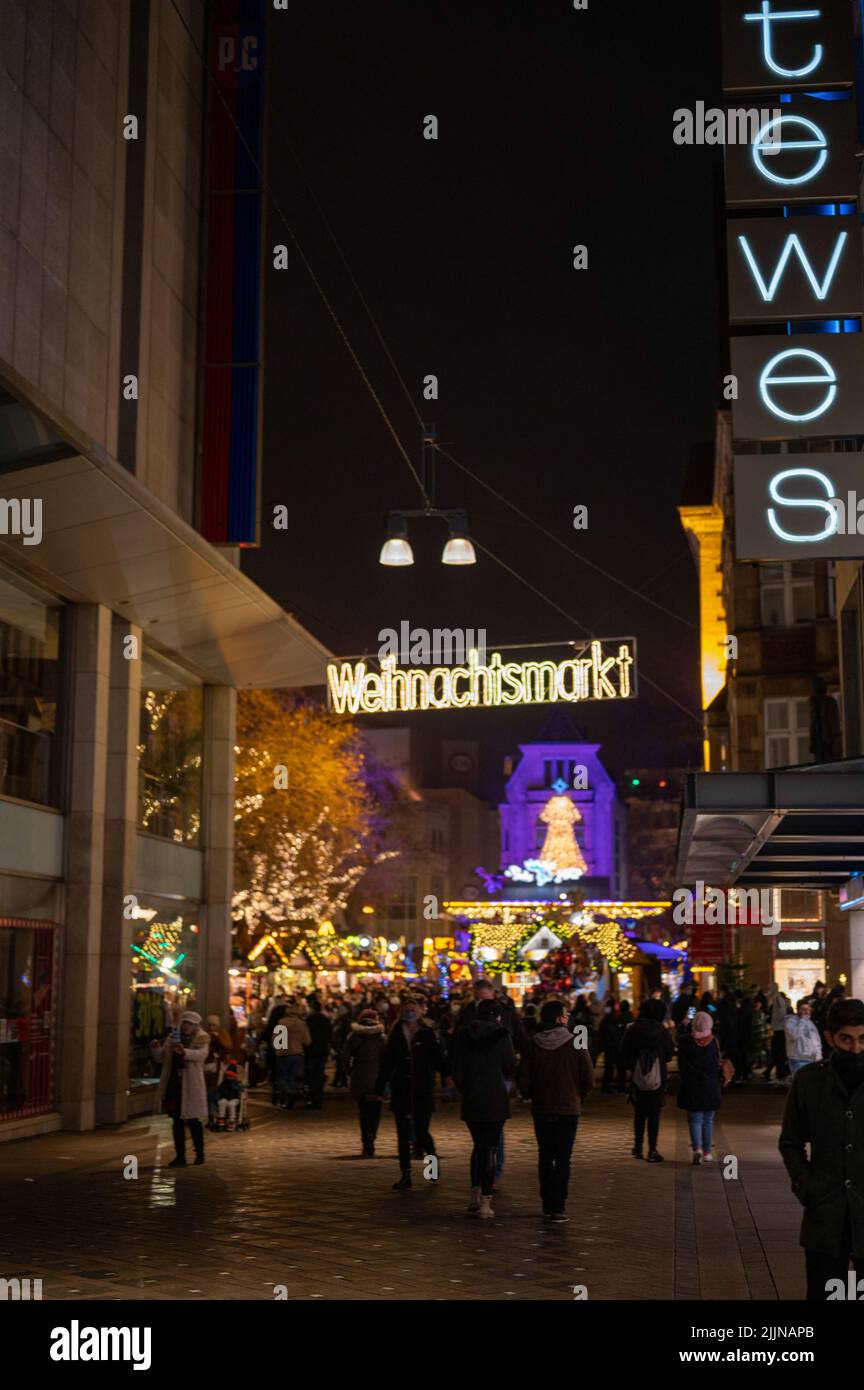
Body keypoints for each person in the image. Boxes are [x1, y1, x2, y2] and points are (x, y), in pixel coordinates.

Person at [779, 997, 864, 1301]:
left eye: (863, 1039)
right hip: (826, 1214)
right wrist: (806, 1185)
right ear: (829, 1038)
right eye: (847, 1039)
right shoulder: (809, 1081)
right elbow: (790, 1141)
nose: (856, 1049)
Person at [518, 998, 594, 1222]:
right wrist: (580, 1095)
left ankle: (546, 1203)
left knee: (545, 1155)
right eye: (566, 1014)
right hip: (568, 1108)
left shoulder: (533, 1043)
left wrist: (531, 1093)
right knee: (563, 1158)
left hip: (542, 1107)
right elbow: (588, 1077)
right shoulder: (576, 1042)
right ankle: (558, 1206)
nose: (568, 1017)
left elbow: (524, 1079)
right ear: (560, 1018)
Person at [452, 998, 516, 1218]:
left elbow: (457, 1067)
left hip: (472, 1096)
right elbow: (509, 1066)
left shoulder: (464, 1034)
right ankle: (486, 1204)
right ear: (497, 1015)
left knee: (478, 1147)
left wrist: (465, 1087)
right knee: (489, 1149)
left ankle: (474, 1195)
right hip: (495, 1097)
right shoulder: (502, 1034)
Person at [375, 997, 448, 1190]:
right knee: (403, 1135)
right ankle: (405, 1175)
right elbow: (387, 1063)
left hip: (422, 1089)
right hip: (402, 1089)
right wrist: (379, 1088)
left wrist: (448, 1075)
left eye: (412, 1009)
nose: (409, 1013)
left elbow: (438, 1058)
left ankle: (431, 1170)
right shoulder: (396, 1034)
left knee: (423, 1133)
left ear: (419, 1011)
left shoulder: (426, 1033)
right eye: (406, 1010)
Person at [151, 1010, 210, 1166]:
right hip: (174, 1085)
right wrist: (156, 1048)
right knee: (176, 1121)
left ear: (195, 1026)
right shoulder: (172, 1038)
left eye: (189, 1024)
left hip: (191, 1085)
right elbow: (161, 1058)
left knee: (193, 1121)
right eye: (184, 1022)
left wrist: (185, 1052)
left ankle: (200, 1153)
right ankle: (180, 1156)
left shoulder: (202, 1039)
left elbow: (201, 1056)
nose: (186, 1026)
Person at [620, 998, 674, 1163]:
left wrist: (632, 1065)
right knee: (654, 1115)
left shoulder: (633, 1029)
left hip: (637, 1077)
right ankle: (652, 1150)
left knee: (639, 1114)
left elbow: (622, 1051)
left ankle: (637, 1148)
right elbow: (669, 1054)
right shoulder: (661, 1030)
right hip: (657, 1078)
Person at [677, 1010, 723, 1164]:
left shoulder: (686, 1042)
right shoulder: (714, 1042)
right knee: (708, 1120)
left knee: (695, 1119)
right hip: (710, 1085)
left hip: (692, 1085)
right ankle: (707, 1152)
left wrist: (683, 1026)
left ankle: (697, 1149)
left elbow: (681, 1064)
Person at [341, 1008, 387, 1156]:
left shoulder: (353, 1036)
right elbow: (388, 1059)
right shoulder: (381, 1037)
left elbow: (344, 1057)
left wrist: (350, 1072)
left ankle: (365, 1140)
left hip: (360, 1075)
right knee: (375, 1111)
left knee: (363, 1110)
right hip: (377, 1077)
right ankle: (371, 1137)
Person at [271, 997, 311, 1109]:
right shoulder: (301, 1024)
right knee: (293, 1077)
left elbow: (276, 1041)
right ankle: (291, 1095)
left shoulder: (281, 1023)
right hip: (297, 1054)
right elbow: (307, 1041)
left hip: (283, 1054)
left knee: (282, 1077)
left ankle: (289, 1092)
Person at [203, 1015, 232, 1129]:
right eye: (209, 1025)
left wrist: (218, 1037)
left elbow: (228, 1046)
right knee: (210, 1093)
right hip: (208, 1069)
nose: (211, 1027)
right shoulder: (205, 1035)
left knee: (217, 1093)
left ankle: (220, 1116)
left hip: (220, 1069)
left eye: (213, 1025)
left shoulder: (223, 1034)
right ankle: (211, 1117)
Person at [304, 998, 332, 1109]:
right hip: (322, 1050)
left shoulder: (309, 1020)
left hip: (311, 1051)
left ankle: (312, 1098)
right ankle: (318, 1098)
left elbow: (306, 1037)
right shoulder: (325, 1020)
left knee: (311, 1076)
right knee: (319, 1074)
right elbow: (330, 1034)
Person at [785, 999, 823, 1075]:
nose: (807, 1011)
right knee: (801, 1084)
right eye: (803, 1009)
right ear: (798, 1010)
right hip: (798, 1059)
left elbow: (816, 1040)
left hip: (812, 1059)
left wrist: (819, 1055)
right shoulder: (791, 1021)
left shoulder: (810, 1022)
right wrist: (802, 1021)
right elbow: (794, 1035)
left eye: (808, 1009)